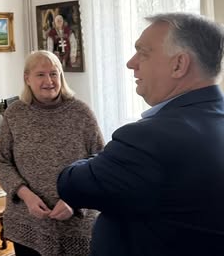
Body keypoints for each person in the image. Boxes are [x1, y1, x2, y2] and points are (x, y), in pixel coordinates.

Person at [57, 13, 224, 256]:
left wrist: (98, 159)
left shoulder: (148, 139)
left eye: (143, 53)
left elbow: (70, 184)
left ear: (179, 64)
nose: (131, 63)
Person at [0, 50, 104, 256]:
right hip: (27, 222)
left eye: (54, 73)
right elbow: (1, 162)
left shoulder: (81, 113)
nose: (49, 81)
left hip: (75, 223)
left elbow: (101, 164)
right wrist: (26, 195)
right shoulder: (14, 114)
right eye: (40, 75)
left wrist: (75, 201)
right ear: (27, 78)